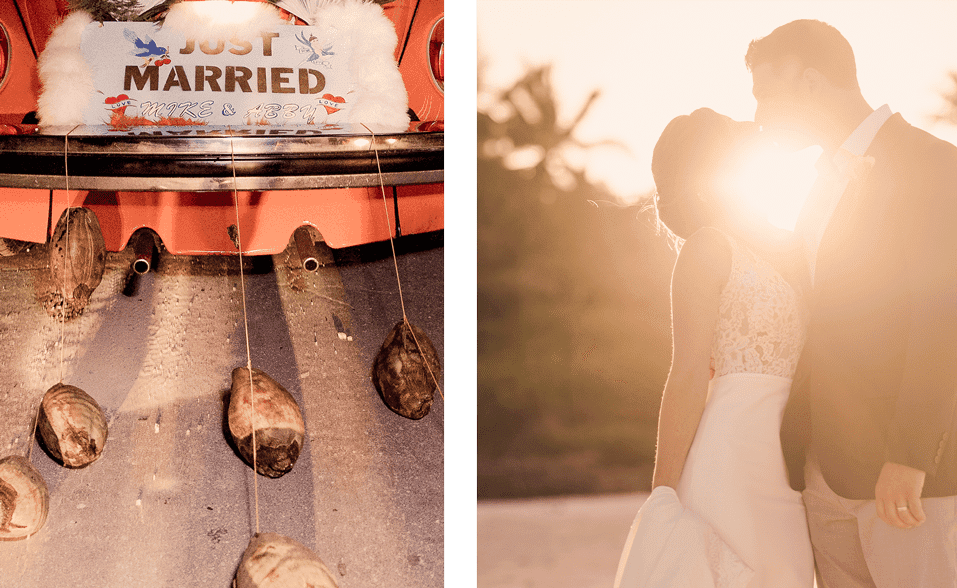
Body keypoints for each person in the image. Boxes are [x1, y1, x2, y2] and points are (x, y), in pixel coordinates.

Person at [747, 19, 957, 587]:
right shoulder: (815, 185)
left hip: (908, 480)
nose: (760, 113)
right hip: (822, 475)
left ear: (810, 82)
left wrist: (911, 456)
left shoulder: (934, 162)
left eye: (766, 93)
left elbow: (942, 320)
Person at [614, 107, 814, 588]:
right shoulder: (707, 248)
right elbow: (686, 373)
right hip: (733, 453)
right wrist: (663, 491)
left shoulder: (795, 244)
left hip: (801, 453)